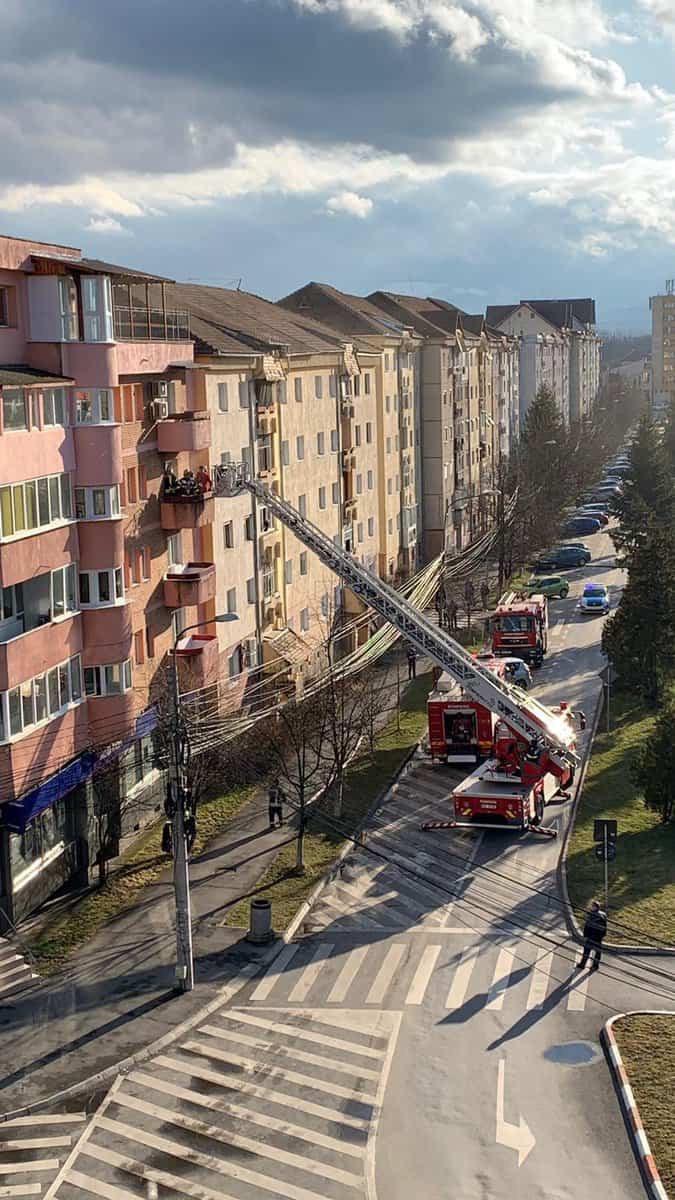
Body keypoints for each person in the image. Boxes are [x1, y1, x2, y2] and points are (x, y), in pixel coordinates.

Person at [578, 900, 607, 971]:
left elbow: (587, 926)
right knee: (598, 952)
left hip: (591, 936)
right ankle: (595, 966)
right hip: (599, 937)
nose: (591, 907)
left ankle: (582, 964)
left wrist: (585, 936)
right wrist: (603, 935)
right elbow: (605, 926)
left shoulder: (591, 915)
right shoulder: (603, 914)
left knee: (587, 951)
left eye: (593, 906)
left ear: (595, 907)